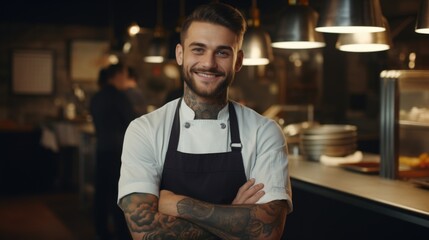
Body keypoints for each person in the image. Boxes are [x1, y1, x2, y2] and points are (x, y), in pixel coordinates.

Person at [118, 3, 292, 240]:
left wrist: (177, 204)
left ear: (238, 61)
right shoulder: (145, 130)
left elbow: (268, 232)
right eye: (198, 50)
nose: (209, 63)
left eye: (222, 52)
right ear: (180, 54)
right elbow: (146, 231)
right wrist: (235, 215)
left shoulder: (264, 132)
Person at [90, 63, 137, 240]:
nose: (126, 79)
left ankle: (101, 231)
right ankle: (121, 233)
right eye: (125, 75)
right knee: (120, 193)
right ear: (117, 75)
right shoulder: (119, 97)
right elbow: (133, 122)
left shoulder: (97, 97)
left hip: (102, 148)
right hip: (118, 150)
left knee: (101, 193)